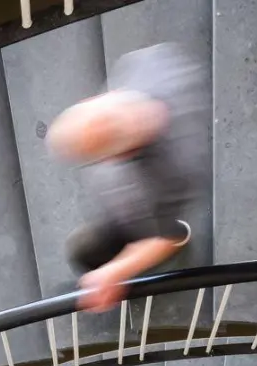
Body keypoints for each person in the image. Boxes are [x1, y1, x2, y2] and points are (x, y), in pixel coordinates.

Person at [48, 43, 206, 312]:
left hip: (160, 210)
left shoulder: (169, 173)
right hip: (142, 202)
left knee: (153, 233)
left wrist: (116, 271)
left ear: (119, 157)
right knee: (86, 248)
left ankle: (178, 241)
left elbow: (162, 237)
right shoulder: (149, 63)